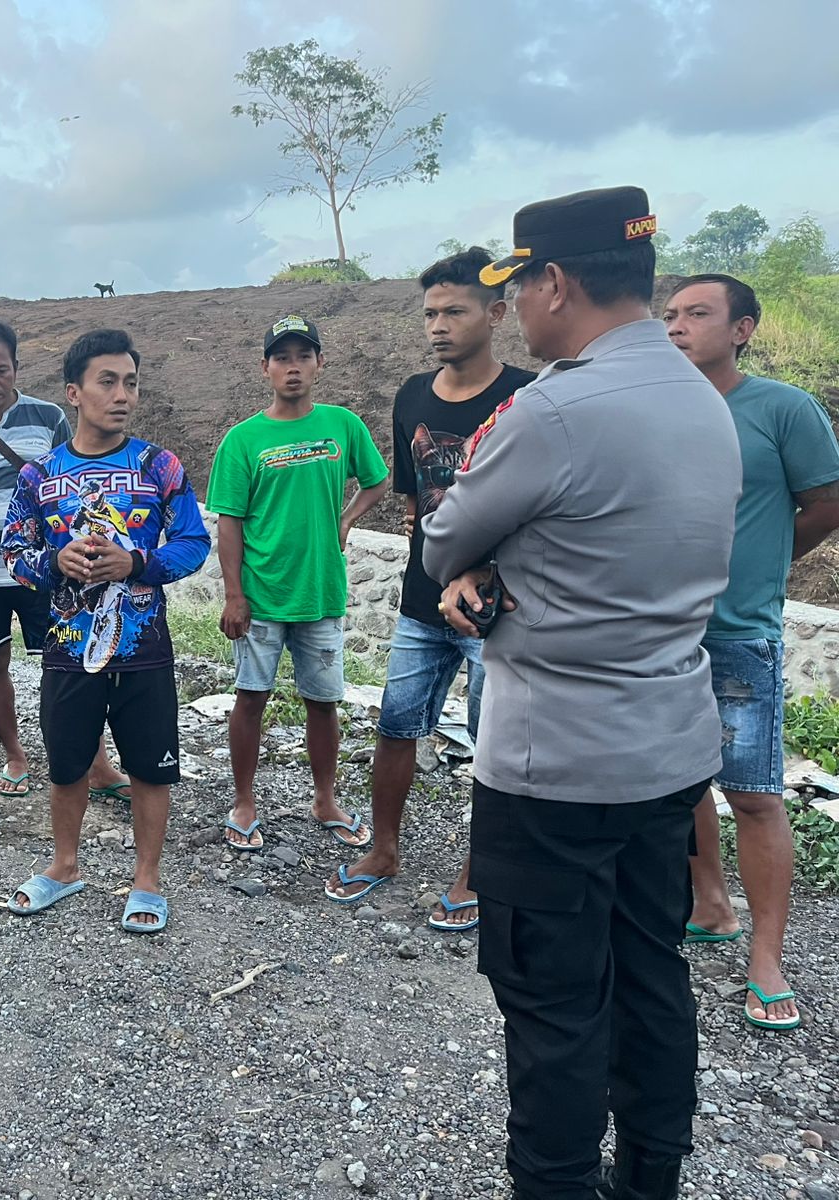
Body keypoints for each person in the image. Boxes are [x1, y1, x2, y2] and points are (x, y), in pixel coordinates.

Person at [425, 187, 740, 1200]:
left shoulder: (554, 410)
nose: (516, 307)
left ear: (555, 282)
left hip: (552, 765)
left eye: (520, 286)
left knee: (553, 1009)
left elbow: (442, 539)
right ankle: (650, 1180)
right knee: (652, 979)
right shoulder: (704, 399)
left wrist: (485, 563)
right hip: (668, 753)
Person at [325, 251, 535, 920]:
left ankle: (480, 871)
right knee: (396, 725)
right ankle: (383, 850)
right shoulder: (412, 395)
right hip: (423, 602)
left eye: (454, 312)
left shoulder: (529, 397)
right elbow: (414, 503)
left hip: (498, 609)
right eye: (430, 314)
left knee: (493, 745)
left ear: (495, 313)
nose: (438, 326)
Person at [663, 273, 839, 1032]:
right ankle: (711, 904)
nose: (677, 326)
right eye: (671, 314)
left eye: (698, 313)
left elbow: (826, 501)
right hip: (660, 629)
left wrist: (767, 560)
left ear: (743, 329)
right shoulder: (659, 408)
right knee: (680, 781)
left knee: (756, 794)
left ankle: (767, 959)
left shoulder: (782, 409)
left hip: (738, 630)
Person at [1, 329, 210, 933]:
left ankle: (147, 880)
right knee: (66, 765)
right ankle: (64, 868)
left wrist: (137, 563)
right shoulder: (39, 475)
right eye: (108, 382)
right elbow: (13, 551)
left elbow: (193, 543)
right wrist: (54, 561)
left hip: (145, 650)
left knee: (150, 767)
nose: (122, 396)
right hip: (67, 649)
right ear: (74, 392)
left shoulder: (159, 465)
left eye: (131, 383)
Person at [0, 318, 130, 800]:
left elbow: (66, 487)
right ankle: (15, 755)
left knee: (71, 663)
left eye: (1, 370)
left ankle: (96, 765)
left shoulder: (49, 418)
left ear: (16, 366)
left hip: (47, 569)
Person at [207, 315, 390, 854]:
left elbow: (377, 481)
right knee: (250, 699)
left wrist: (347, 519)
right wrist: (234, 595)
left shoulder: (342, 425)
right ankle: (244, 801)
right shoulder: (243, 440)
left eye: (303, 356)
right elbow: (229, 523)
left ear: (319, 364)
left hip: (320, 593)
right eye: (282, 358)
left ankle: (325, 799)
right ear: (264, 368)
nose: (293, 367)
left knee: (323, 702)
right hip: (261, 596)